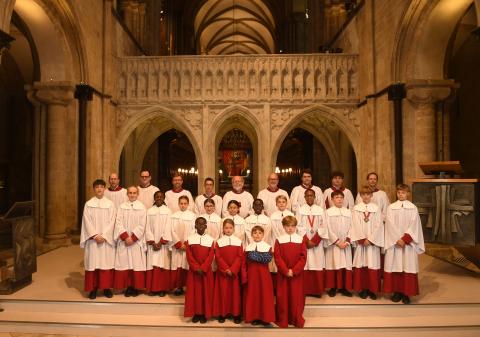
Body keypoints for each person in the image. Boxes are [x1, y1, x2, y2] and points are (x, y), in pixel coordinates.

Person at [383, 184, 425, 305]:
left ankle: (406, 293)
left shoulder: (413, 208)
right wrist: (397, 239)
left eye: (403, 192)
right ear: (396, 193)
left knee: (407, 266)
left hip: (408, 244)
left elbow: (414, 225)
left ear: (408, 194)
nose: (401, 194)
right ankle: (397, 292)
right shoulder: (391, 207)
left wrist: (405, 239)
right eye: (399, 192)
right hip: (395, 243)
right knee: (395, 266)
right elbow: (389, 224)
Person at [80, 179, 116, 299]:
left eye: (101, 187)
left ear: (105, 188)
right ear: (94, 189)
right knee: (93, 264)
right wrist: (95, 235)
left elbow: (112, 221)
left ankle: (106, 288)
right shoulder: (89, 204)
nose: (99, 189)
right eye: (97, 187)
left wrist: (104, 235)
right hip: (93, 240)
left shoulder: (110, 204)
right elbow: (86, 221)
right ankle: (93, 289)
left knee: (105, 264)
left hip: (106, 240)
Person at [350, 185, 384, 300]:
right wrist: (361, 239)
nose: (366, 196)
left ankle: (372, 289)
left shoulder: (376, 208)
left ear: (371, 195)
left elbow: (379, 225)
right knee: (361, 265)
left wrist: (370, 239)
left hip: (371, 243)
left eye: (368, 194)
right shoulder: (356, 208)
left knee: (372, 265)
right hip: (361, 243)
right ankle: (363, 289)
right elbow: (354, 224)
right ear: (360, 195)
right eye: (363, 194)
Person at [113, 186, 147, 297]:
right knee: (125, 264)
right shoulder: (122, 207)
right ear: (127, 194)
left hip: (135, 242)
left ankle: (135, 287)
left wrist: (133, 238)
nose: (132, 195)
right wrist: (125, 236)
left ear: (138, 194)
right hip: (124, 241)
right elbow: (118, 222)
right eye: (130, 193)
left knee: (135, 264)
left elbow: (142, 224)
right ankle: (127, 286)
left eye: (134, 193)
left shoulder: (142, 207)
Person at [274, 216, 307, 328]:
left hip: (296, 274)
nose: (290, 229)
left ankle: (295, 318)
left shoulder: (300, 239)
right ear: (283, 227)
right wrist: (285, 270)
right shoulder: (279, 240)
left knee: (296, 297)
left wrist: (294, 270)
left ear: (295, 227)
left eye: (292, 226)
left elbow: (303, 257)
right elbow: (277, 257)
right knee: (283, 297)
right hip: (283, 274)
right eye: (287, 226)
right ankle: (284, 318)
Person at [296, 188, 328, 297]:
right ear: (304, 198)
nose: (309, 197)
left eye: (311, 196)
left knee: (317, 264)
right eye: (307, 196)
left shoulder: (320, 210)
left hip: (316, 243)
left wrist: (314, 241)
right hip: (304, 243)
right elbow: (298, 226)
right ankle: (305, 290)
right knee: (305, 265)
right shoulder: (300, 210)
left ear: (315, 197)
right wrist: (306, 240)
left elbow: (324, 226)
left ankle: (317, 290)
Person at [242, 226, 276, 327]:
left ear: (263, 235)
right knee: (254, 296)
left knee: (265, 297)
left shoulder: (267, 246)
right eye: (255, 233)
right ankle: (254, 317)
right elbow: (244, 263)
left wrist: (254, 255)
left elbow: (267, 259)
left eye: (260, 233)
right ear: (251, 235)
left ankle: (266, 318)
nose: (257, 235)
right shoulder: (248, 248)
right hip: (252, 276)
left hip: (264, 276)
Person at [184, 217, 215, 323]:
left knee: (205, 293)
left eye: (202, 224)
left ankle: (204, 314)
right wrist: (196, 268)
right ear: (195, 226)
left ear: (206, 226)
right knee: (195, 294)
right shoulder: (190, 239)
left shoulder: (211, 240)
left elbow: (211, 255)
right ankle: (196, 313)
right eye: (198, 224)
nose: (200, 226)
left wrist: (204, 267)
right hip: (194, 272)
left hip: (206, 271)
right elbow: (189, 255)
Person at [213, 219, 243, 324]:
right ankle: (223, 313)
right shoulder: (219, 242)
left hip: (234, 273)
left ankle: (236, 314)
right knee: (223, 293)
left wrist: (233, 269)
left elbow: (240, 257)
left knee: (235, 294)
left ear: (234, 229)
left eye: (230, 228)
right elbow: (218, 256)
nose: (228, 230)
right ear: (223, 229)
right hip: (223, 273)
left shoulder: (239, 242)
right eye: (226, 228)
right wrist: (226, 269)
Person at [325, 190, 353, 297]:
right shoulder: (328, 212)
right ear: (332, 200)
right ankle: (333, 287)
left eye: (341, 197)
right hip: (334, 244)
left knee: (345, 265)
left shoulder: (348, 212)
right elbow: (327, 228)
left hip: (345, 244)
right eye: (336, 197)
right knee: (333, 264)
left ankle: (344, 288)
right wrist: (337, 241)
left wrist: (347, 241)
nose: (339, 199)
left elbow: (352, 227)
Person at [145, 191, 172, 297]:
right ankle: (152, 288)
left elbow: (168, 227)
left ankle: (162, 289)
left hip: (162, 245)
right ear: (154, 198)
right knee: (152, 266)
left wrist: (161, 242)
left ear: (164, 198)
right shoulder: (149, 211)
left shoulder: (168, 211)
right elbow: (147, 227)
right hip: (152, 245)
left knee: (162, 266)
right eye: (157, 196)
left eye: (161, 196)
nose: (159, 198)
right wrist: (152, 241)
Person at [170, 195, 196, 295]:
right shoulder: (174, 216)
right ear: (178, 204)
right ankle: (178, 287)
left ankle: (187, 286)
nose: (183, 205)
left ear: (188, 204)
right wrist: (178, 243)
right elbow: (171, 230)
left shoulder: (192, 216)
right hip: (177, 247)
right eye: (181, 203)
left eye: (185, 203)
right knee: (177, 266)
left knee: (186, 266)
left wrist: (186, 243)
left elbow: (194, 230)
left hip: (186, 247)